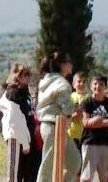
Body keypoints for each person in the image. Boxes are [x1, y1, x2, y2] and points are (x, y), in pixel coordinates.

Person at [38, 53, 80, 182]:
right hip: (53, 126)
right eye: (69, 62)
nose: (71, 65)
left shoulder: (46, 80)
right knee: (47, 168)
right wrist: (76, 108)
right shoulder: (62, 83)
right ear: (63, 65)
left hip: (55, 127)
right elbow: (67, 109)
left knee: (75, 161)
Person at [0, 64, 41, 182]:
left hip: (29, 135)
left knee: (30, 172)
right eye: (24, 75)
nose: (27, 78)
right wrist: (25, 142)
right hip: (16, 137)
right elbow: (16, 121)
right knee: (15, 172)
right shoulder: (13, 94)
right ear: (17, 76)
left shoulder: (26, 92)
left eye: (28, 75)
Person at [81, 76, 108, 182]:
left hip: (106, 144)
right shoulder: (87, 102)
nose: (97, 87)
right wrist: (104, 122)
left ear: (105, 87)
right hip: (90, 143)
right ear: (91, 86)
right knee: (86, 177)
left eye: (101, 84)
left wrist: (98, 122)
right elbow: (86, 122)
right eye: (95, 84)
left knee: (105, 177)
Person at [70, 73, 89, 153]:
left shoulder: (89, 98)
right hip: (72, 134)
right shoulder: (71, 97)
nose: (81, 84)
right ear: (73, 85)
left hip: (86, 135)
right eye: (79, 81)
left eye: (84, 82)